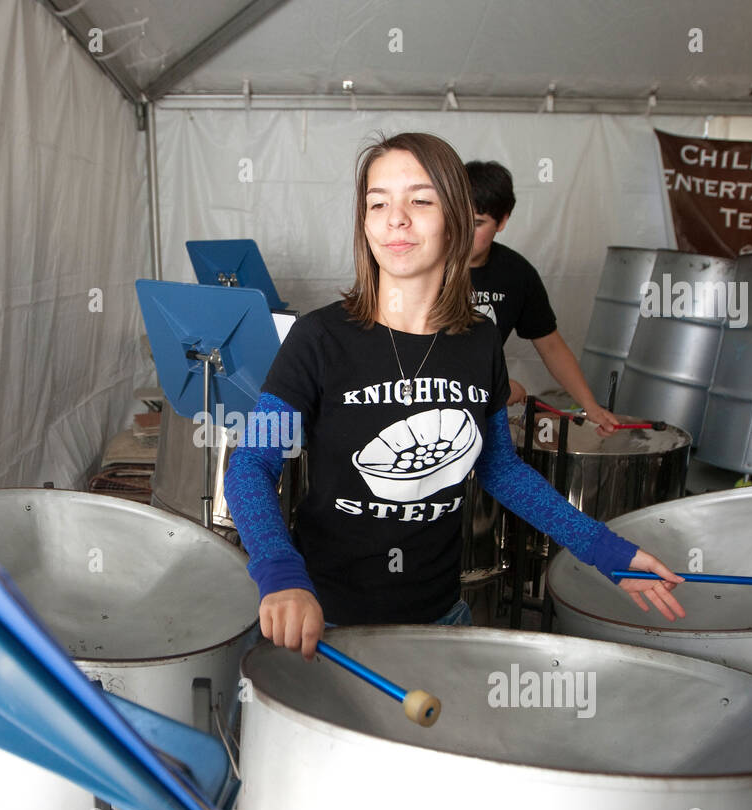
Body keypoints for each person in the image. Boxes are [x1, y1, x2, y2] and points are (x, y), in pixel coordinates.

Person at [223, 132, 684, 660]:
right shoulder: (318, 338)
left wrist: (603, 548)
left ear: (455, 221)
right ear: (365, 223)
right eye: (378, 203)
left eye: (419, 200)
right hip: (324, 623)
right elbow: (251, 463)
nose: (396, 218)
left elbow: (499, 468)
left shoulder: (479, 341)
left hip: (437, 618)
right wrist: (280, 572)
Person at [465, 160, 620, 434]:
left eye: (477, 223)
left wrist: (589, 405)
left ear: (502, 221)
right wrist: (496, 389)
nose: (463, 232)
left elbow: (550, 344)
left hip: (481, 405)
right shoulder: (422, 266)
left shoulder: (516, 273)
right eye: (456, 218)